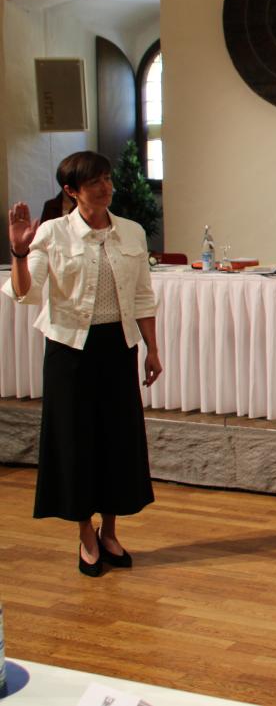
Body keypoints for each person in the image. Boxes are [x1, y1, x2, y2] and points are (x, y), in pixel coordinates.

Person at [5, 151, 162, 577]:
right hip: (70, 352)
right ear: (72, 191)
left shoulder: (130, 232)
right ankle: (85, 534)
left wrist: (152, 347)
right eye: (95, 182)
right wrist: (19, 253)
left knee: (117, 440)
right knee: (75, 442)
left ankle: (110, 531)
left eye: (108, 179)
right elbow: (26, 293)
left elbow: (144, 296)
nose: (106, 187)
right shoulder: (53, 233)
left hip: (118, 347)